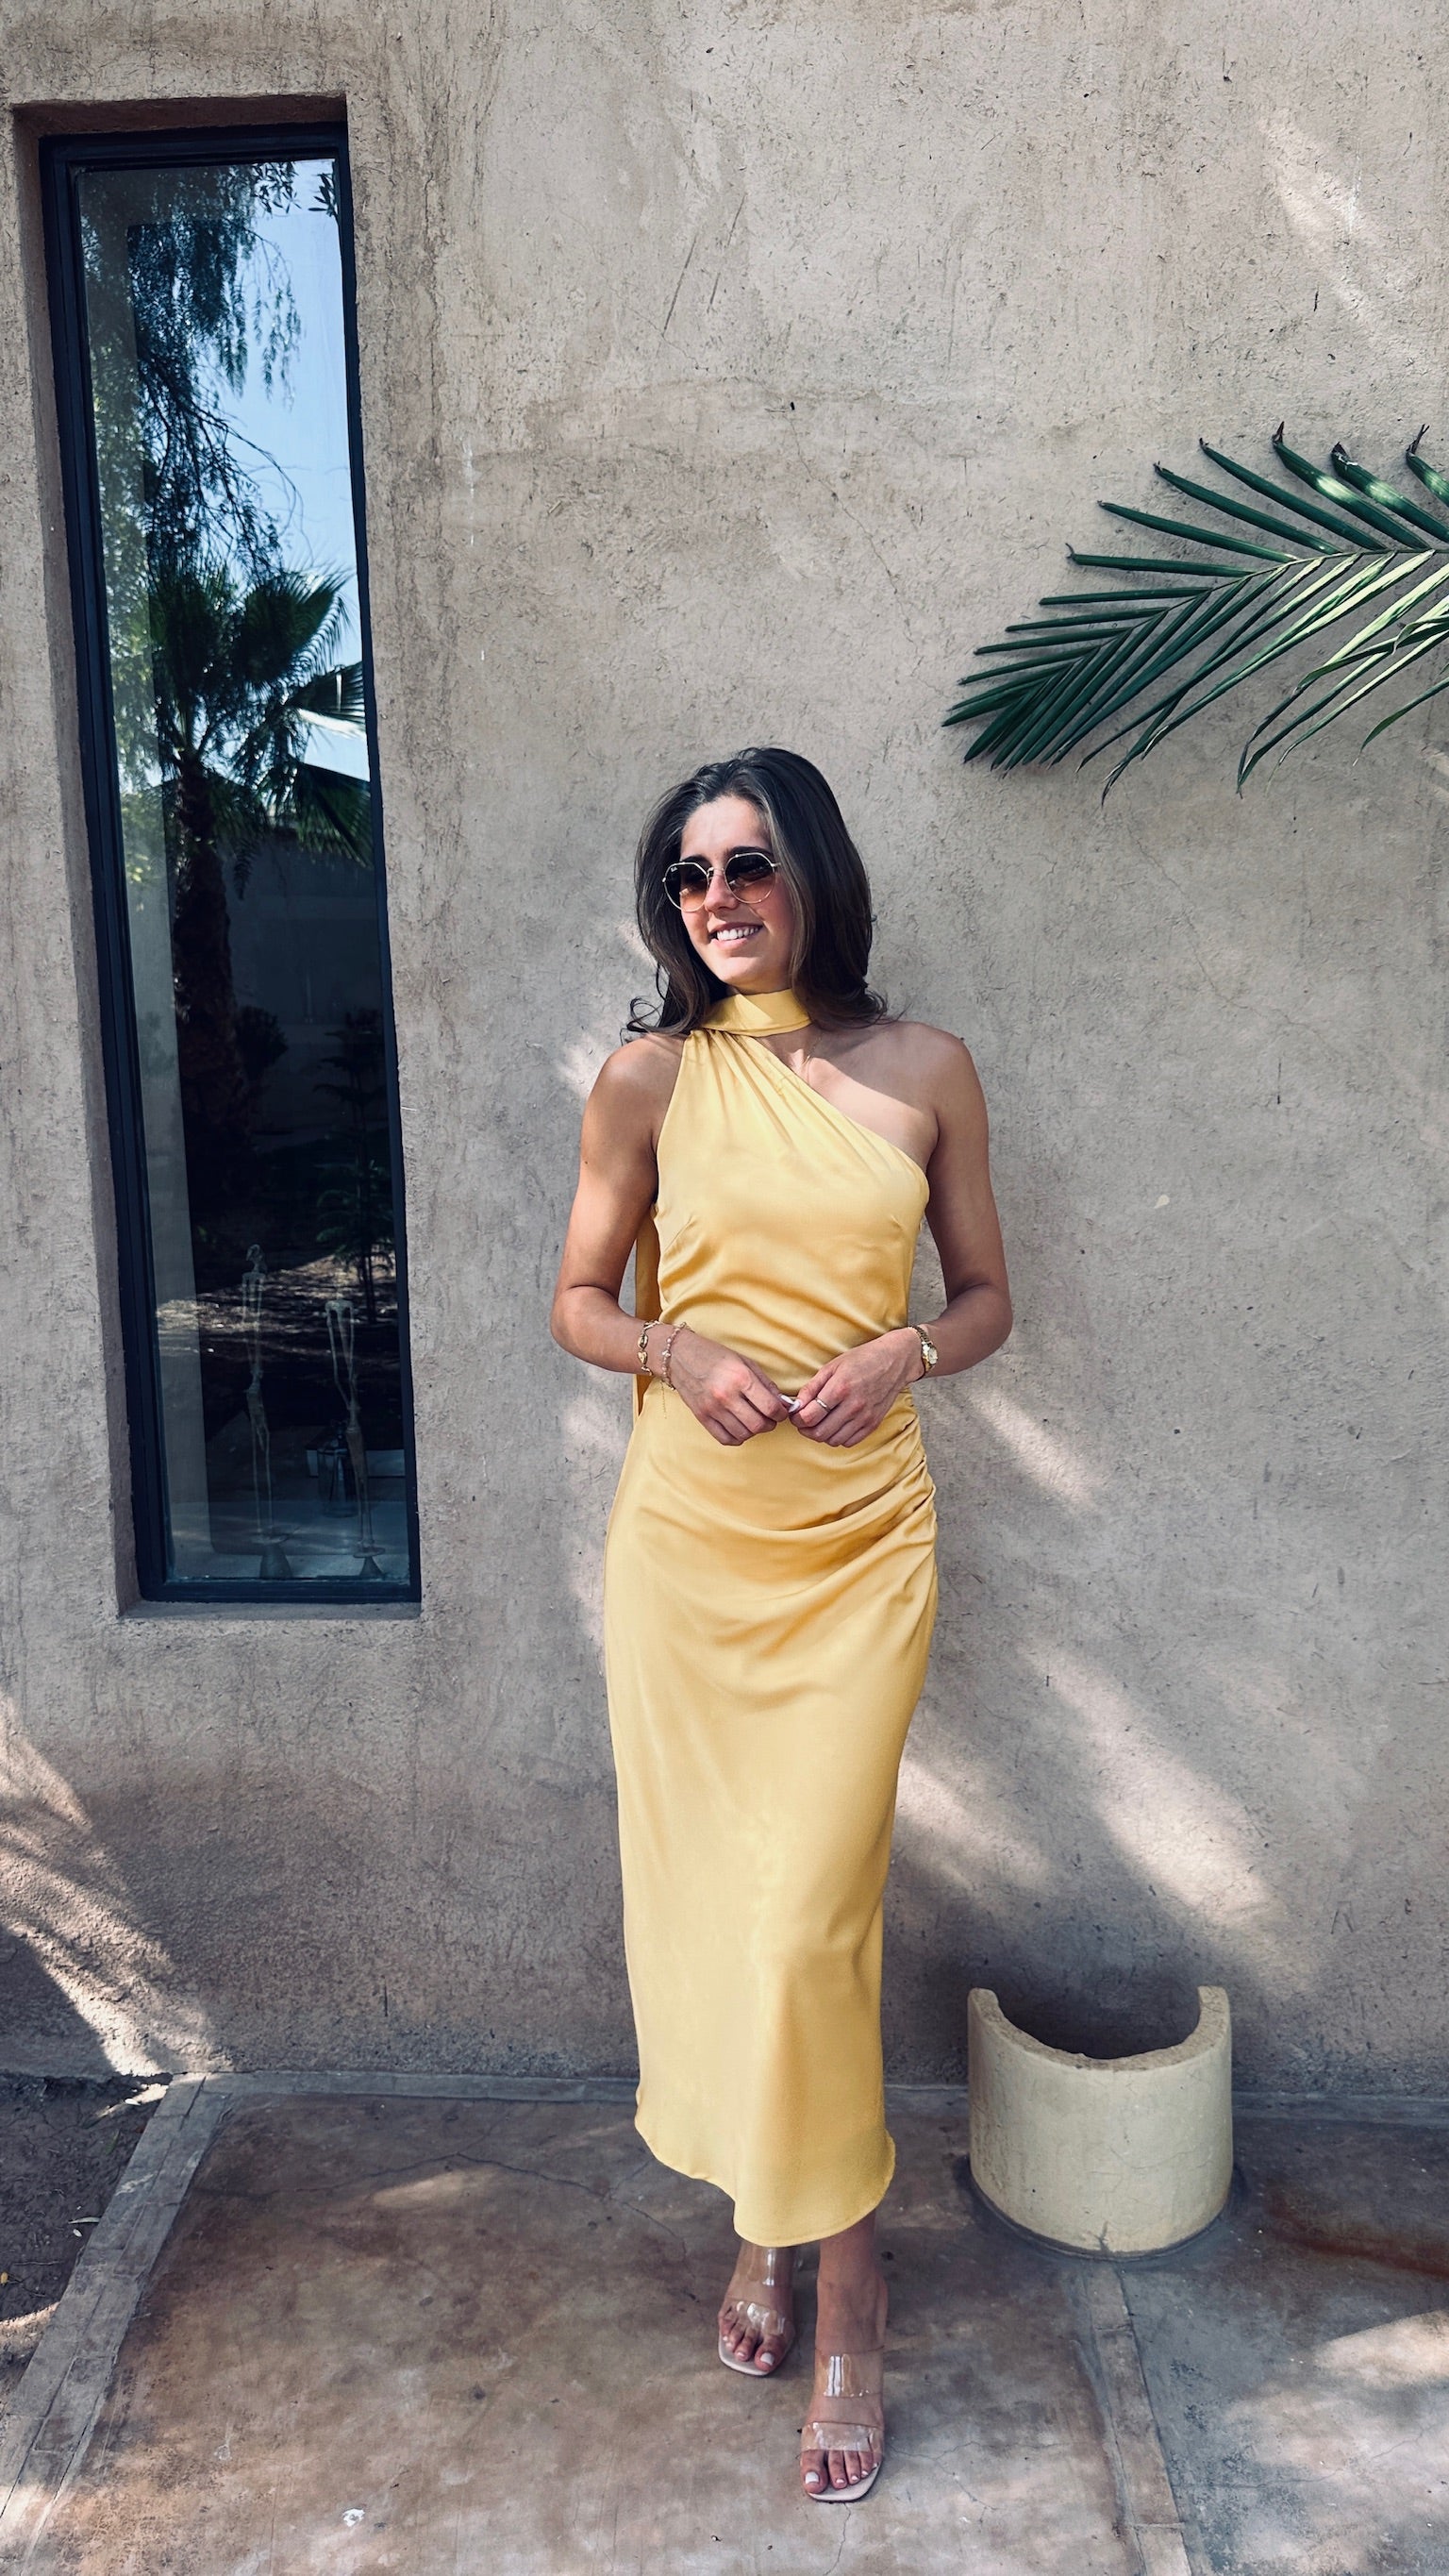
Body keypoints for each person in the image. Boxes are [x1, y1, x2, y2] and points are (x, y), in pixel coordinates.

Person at [551, 747, 1011, 2501]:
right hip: (691, 1549)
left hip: (860, 1549)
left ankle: (850, 2293)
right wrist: (675, 1346)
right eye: (688, 876)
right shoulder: (649, 1080)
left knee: (813, 1916)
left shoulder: (928, 1069)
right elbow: (579, 1300)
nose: (717, 899)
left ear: (812, 871)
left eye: (747, 864)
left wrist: (910, 1349)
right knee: (728, 1916)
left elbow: (988, 1297)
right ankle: (772, 2215)